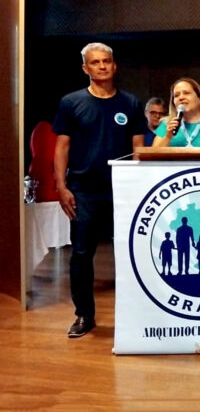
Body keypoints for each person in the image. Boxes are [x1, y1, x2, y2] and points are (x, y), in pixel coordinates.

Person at [53, 42, 145, 338]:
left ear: (114, 65)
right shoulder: (70, 102)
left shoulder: (130, 103)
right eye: (95, 62)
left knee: (131, 252)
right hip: (83, 191)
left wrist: (139, 186)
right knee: (81, 254)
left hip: (123, 191)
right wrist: (61, 186)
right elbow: (62, 147)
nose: (102, 66)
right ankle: (84, 315)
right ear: (85, 68)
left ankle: (137, 314)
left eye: (107, 61)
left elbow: (138, 148)